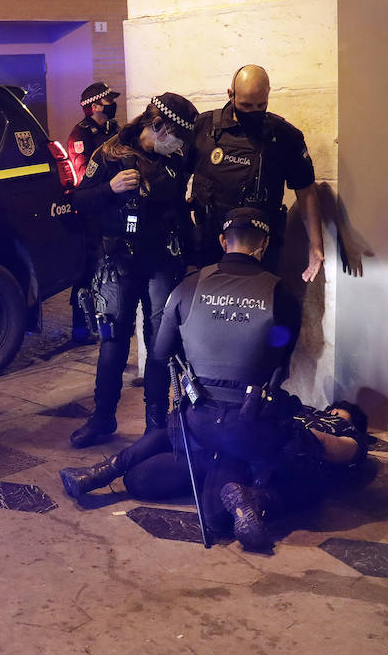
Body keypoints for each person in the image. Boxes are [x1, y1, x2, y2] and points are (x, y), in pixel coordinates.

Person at [61, 207, 303, 545]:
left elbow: (161, 353)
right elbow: (280, 354)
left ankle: (100, 473)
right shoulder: (281, 295)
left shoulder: (188, 287)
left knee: (149, 475)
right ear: (263, 244)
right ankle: (231, 488)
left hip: (197, 419)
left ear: (223, 241)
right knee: (203, 503)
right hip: (248, 425)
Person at [62, 395, 370, 551]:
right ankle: (100, 473)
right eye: (331, 410)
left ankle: (250, 500)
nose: (330, 414)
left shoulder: (346, 430)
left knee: (217, 518)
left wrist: (304, 435)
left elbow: (344, 450)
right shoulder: (300, 410)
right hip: (233, 452)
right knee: (140, 479)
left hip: (275, 466)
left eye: (338, 415)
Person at [68, 93, 200, 448]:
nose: (177, 145)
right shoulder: (109, 154)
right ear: (156, 125)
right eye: (174, 135)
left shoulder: (177, 157)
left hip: (162, 260)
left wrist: (192, 257)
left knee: (159, 344)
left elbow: (181, 210)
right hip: (118, 261)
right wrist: (109, 189)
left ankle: (155, 426)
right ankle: (102, 418)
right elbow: (78, 201)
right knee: (112, 342)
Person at [189, 65, 324, 280]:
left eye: (261, 105)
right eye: (245, 105)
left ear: (269, 94)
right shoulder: (204, 127)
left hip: (259, 246)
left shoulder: (285, 137)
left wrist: (316, 246)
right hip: (209, 240)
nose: (253, 111)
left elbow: (306, 191)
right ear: (230, 95)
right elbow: (178, 179)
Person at [65, 81, 121, 342]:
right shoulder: (81, 135)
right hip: (92, 213)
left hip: (115, 208)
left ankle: (114, 317)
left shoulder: (114, 130)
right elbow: (83, 176)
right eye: (108, 101)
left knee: (115, 268)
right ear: (96, 105)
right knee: (87, 272)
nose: (113, 105)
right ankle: (79, 329)